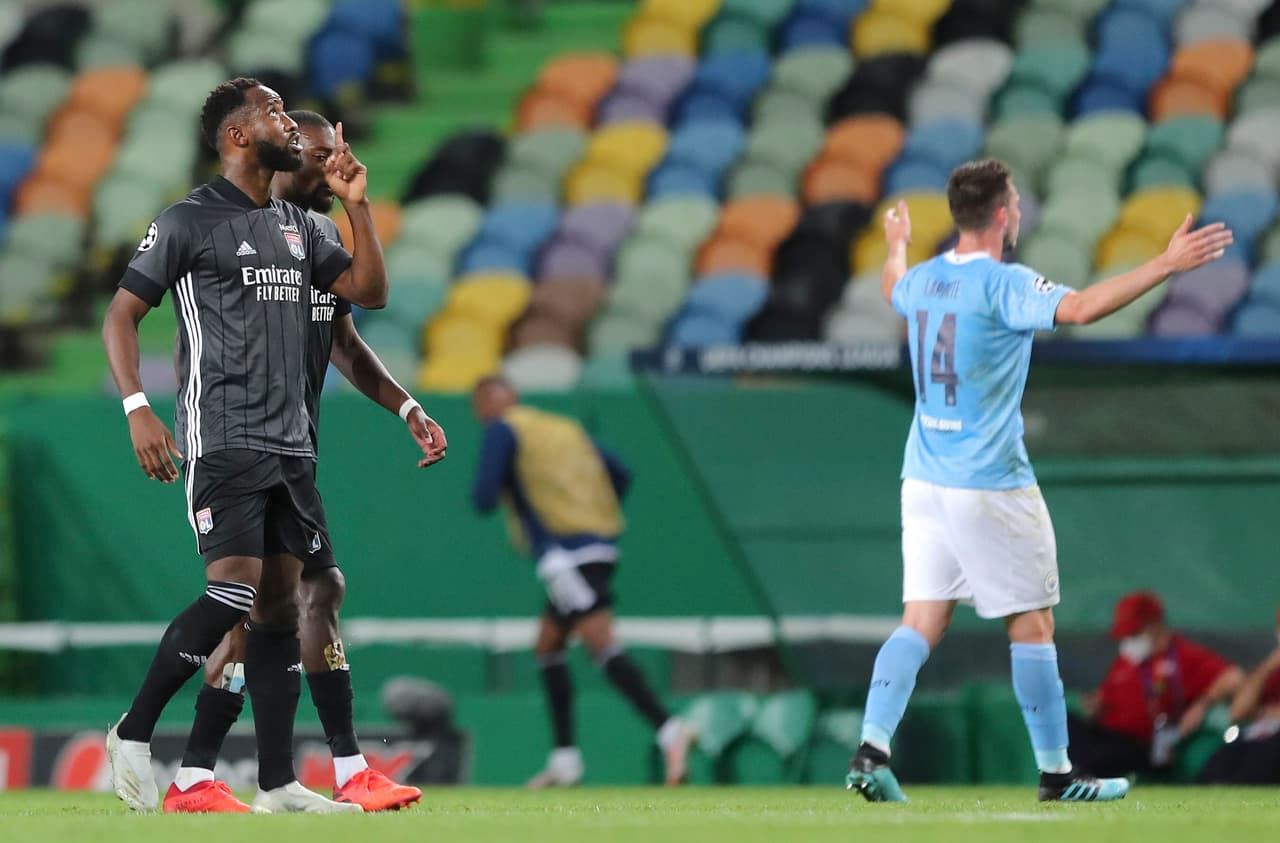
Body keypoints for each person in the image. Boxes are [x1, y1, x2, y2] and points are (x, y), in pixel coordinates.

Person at [845, 158, 1235, 803]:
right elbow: (1079, 308)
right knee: (1032, 627)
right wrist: (1165, 266)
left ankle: (871, 748)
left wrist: (894, 244)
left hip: (923, 479)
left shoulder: (923, 280)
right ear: (1001, 213)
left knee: (919, 621)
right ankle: (1058, 774)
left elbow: (891, 285)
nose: (1020, 211)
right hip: (990, 483)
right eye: (1017, 201)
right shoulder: (1004, 285)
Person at [101, 78, 390, 814]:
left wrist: (358, 206)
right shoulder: (188, 220)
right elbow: (121, 314)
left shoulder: (301, 226)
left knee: (276, 613)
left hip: (292, 446)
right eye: (273, 112)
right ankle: (134, 733)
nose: (288, 122)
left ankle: (275, 781)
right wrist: (138, 407)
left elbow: (368, 292)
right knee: (230, 588)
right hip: (222, 433)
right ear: (237, 135)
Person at [160, 111, 447, 814]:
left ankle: (196, 776)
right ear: (284, 159)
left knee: (265, 613)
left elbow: (348, 337)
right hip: (239, 444)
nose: (329, 168)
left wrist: (408, 407)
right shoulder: (231, 232)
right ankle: (343, 767)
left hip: (291, 450)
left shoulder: (314, 237)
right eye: (318, 157)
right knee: (306, 594)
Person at [470, 376, 694, 787]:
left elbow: (483, 497)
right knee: (548, 646)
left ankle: (669, 729)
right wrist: (591, 516)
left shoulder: (502, 429)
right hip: (598, 546)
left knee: (602, 645)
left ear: (484, 404)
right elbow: (621, 473)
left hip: (564, 557)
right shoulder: (563, 429)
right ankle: (566, 759)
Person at [1064, 591, 1243, 779]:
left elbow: (1234, 677)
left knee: (1097, 757)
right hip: (1105, 732)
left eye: (1134, 633)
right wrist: (1096, 704)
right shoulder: (1127, 660)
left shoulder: (1184, 656)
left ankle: (1079, 780)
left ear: (1155, 626)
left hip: (1143, 744)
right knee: (1065, 723)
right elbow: (1106, 697)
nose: (1128, 641)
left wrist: (1203, 704)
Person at [1199, 608, 1280, 784]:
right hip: (1260, 733)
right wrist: (1267, 667)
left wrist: (1272, 713)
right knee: (1218, 766)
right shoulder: (1272, 667)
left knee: (1261, 763)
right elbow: (1237, 712)